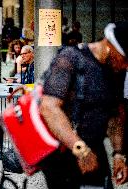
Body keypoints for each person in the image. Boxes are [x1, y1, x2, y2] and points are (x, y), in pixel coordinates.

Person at [39, 22, 128, 189]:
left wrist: (118, 154)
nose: (125, 66)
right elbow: (49, 107)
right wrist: (79, 149)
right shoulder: (70, 58)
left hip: (95, 149)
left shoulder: (116, 72)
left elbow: (116, 115)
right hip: (64, 150)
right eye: (124, 59)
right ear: (110, 46)